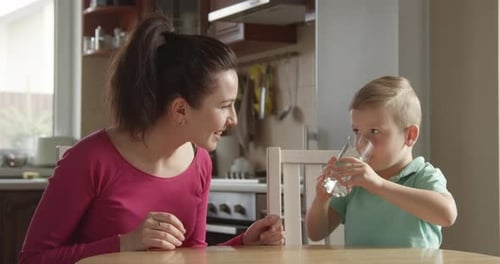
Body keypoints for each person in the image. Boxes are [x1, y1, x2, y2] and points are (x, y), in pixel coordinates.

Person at [19, 14, 284, 264]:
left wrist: (244, 243)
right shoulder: (89, 159)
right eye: (224, 105)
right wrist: (125, 243)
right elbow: (32, 259)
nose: (234, 119)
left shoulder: (200, 161)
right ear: (180, 109)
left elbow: (193, 254)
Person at [305, 76, 457, 248]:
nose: (361, 143)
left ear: (410, 136)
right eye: (357, 131)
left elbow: (447, 215)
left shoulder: (422, 175)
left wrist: (378, 185)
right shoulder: (355, 181)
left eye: (374, 131)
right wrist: (321, 199)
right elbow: (316, 233)